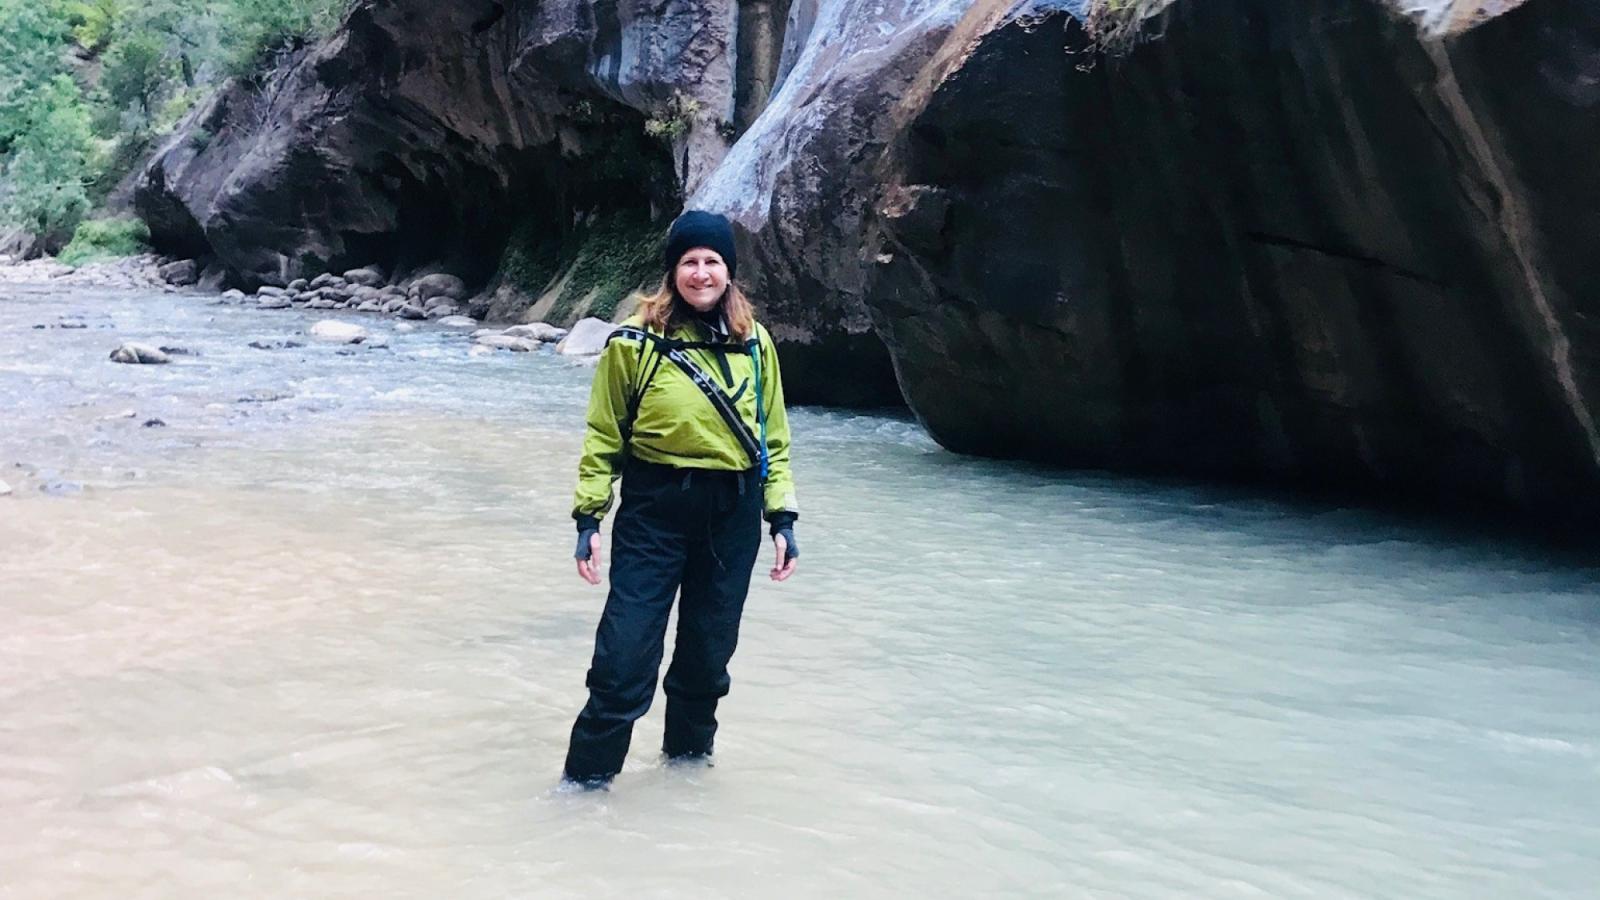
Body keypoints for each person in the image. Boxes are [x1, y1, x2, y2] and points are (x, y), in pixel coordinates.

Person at [562, 210, 799, 789]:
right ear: (672, 272)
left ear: (729, 272)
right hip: (655, 510)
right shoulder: (635, 341)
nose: (700, 273)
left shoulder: (756, 343)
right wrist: (588, 516)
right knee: (623, 660)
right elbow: (604, 434)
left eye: (711, 261)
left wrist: (783, 517)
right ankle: (583, 789)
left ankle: (685, 783)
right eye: (689, 262)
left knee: (706, 660)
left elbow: (773, 437)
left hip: (732, 513)